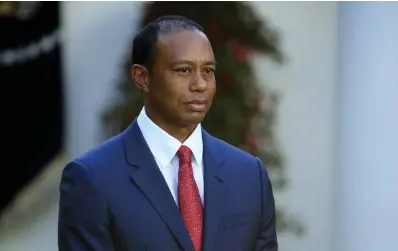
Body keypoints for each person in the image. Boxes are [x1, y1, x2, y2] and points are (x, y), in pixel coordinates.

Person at [58, 15, 278, 251]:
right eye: (183, 70)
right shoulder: (92, 178)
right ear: (142, 78)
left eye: (208, 71)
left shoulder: (249, 175)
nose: (200, 84)